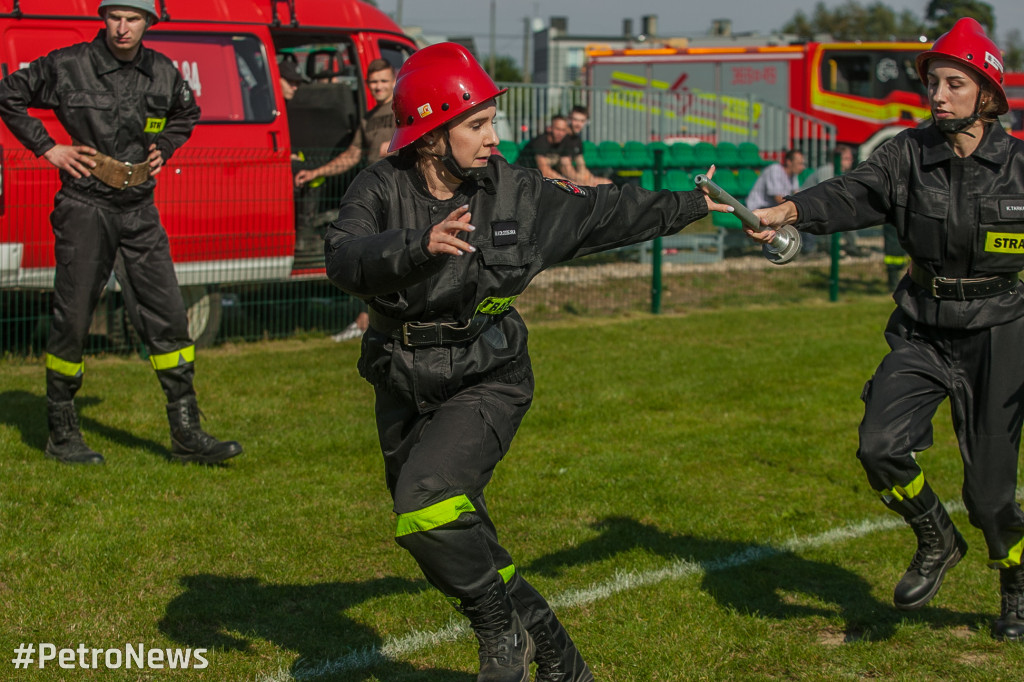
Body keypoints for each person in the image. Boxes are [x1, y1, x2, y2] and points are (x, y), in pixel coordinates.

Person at [323, 42, 732, 681]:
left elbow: (611, 211)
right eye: (477, 123)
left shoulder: (519, 192)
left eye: (493, 120)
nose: (494, 136)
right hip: (401, 378)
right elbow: (344, 259)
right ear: (432, 134)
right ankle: (563, 661)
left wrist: (698, 204)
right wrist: (416, 245)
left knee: (426, 504)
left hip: (488, 376)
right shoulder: (381, 185)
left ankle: (500, 636)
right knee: (451, 532)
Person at [747, 18, 1024, 641]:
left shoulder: (1022, 164)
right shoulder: (905, 154)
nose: (938, 94)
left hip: (1001, 333)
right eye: (935, 82)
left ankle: (1015, 583)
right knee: (879, 445)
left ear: (986, 93)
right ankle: (935, 536)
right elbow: (848, 194)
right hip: (923, 328)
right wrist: (785, 211)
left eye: (954, 83)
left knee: (990, 498)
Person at [0, 0, 242, 465]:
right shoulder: (69, 65)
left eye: (133, 18)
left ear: (149, 22)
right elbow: (8, 94)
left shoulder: (162, 72)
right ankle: (62, 429)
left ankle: (186, 432)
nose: (123, 27)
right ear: (103, 18)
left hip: (139, 209)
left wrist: (165, 147)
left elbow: (186, 114)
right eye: (114, 17)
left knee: (168, 313)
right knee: (73, 318)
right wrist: (48, 149)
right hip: (84, 206)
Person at [294, 59, 397, 341]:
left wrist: (396, 146)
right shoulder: (367, 119)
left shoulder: (404, 111)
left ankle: (372, 321)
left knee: (392, 257)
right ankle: (367, 320)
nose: (378, 87)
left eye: (383, 81)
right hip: (374, 196)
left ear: (393, 81)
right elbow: (352, 155)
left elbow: (425, 140)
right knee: (370, 257)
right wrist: (316, 172)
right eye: (373, 82)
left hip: (399, 195)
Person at [798, 144, 868, 257]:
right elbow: (825, 195)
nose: (850, 161)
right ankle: (828, 248)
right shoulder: (828, 170)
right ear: (839, 158)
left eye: (850, 158)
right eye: (847, 158)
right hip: (807, 206)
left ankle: (851, 247)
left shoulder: (841, 173)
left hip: (817, 206)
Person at [558, 105, 612, 186]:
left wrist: (590, 178)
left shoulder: (577, 139)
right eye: (575, 120)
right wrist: (585, 182)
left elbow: (581, 165)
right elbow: (565, 168)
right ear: (569, 119)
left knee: (607, 183)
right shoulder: (562, 137)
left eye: (582, 121)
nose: (578, 124)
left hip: (573, 178)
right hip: (558, 179)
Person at [518, 114, 573, 180]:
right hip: (523, 176)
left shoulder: (564, 142)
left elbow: (567, 168)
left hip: (540, 179)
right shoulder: (540, 142)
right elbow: (544, 172)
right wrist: (569, 183)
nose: (560, 133)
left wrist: (580, 183)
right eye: (558, 129)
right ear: (549, 128)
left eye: (563, 130)